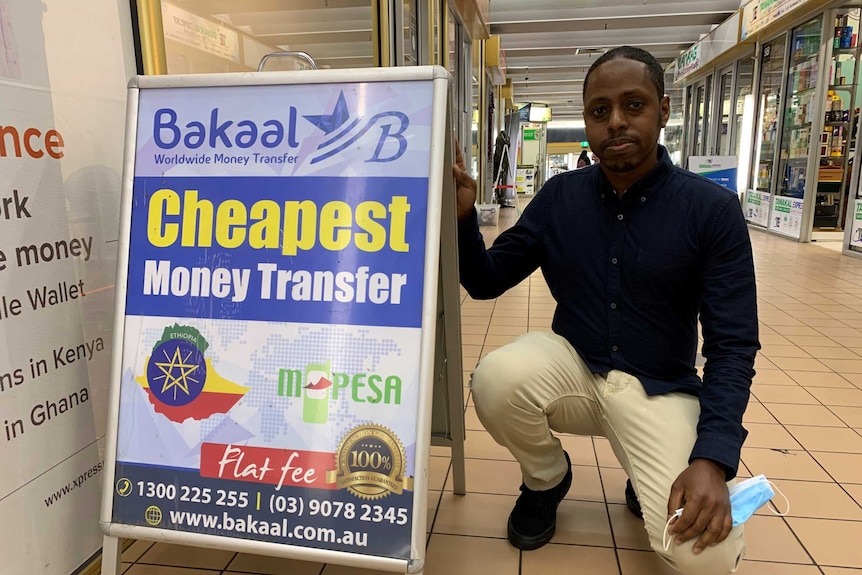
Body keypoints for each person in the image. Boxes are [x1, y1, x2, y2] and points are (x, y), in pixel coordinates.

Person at [452, 45, 758, 575]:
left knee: (703, 557)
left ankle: (647, 479)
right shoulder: (559, 198)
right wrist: (461, 220)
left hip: (659, 386)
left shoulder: (709, 210)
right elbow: (485, 281)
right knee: (495, 379)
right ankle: (547, 478)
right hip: (574, 366)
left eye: (633, 105)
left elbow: (733, 345)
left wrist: (712, 458)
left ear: (663, 110)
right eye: (599, 110)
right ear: (589, 119)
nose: (615, 121)